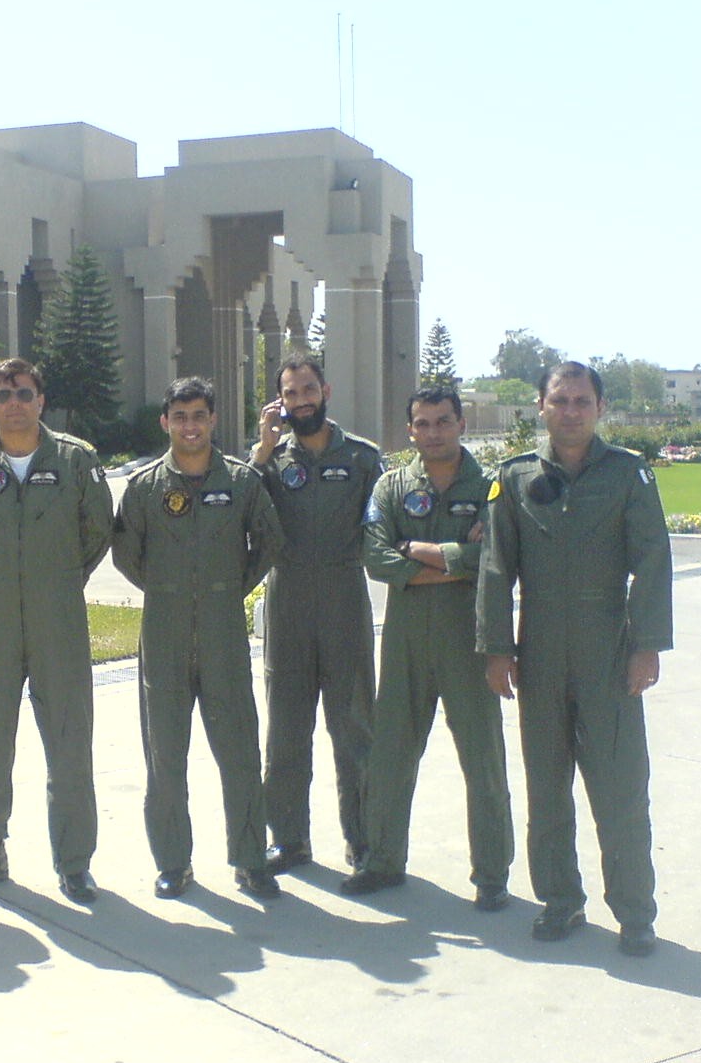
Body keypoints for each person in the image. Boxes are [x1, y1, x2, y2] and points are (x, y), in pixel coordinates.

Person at [477, 361, 673, 956]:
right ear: (540, 406)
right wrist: (496, 649)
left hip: (607, 651)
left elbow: (653, 561)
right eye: (559, 400)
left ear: (599, 408)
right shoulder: (512, 479)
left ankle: (635, 912)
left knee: (619, 785)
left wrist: (647, 646)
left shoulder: (627, 475)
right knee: (546, 784)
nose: (571, 410)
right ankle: (560, 900)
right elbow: (495, 567)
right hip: (538, 654)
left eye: (581, 400)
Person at [0, 357, 114, 904]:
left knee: (68, 741)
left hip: (58, 618)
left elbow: (97, 533)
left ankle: (74, 863)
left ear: (41, 401)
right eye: (3, 393)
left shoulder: (76, 460)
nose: (13, 401)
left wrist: (55, 580)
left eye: (24, 392)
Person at [112, 377, 283, 900]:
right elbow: (126, 554)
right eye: (180, 415)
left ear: (213, 420)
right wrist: (168, 591)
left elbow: (267, 542)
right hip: (162, 632)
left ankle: (250, 858)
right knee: (165, 755)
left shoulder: (242, 482)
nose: (190, 425)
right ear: (166, 422)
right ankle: (173, 862)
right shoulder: (144, 487)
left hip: (222, 629)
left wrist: (225, 589)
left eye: (200, 415)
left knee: (238, 750)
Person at [346, 387, 514, 909]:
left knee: (483, 760)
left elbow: (501, 556)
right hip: (405, 642)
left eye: (443, 421)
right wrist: (457, 563)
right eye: (423, 423)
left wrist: (422, 552)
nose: (434, 432)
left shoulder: (491, 488)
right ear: (410, 431)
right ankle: (382, 862)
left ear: (462, 424)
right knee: (391, 754)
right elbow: (376, 558)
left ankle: (491, 876)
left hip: (471, 640)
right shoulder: (391, 487)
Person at [251, 355, 383, 872]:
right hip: (288, 594)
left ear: (325, 390)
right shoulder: (270, 459)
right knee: (286, 725)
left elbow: (389, 514)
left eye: (308, 389)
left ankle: (365, 837)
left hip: (344, 592)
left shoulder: (362, 457)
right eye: (291, 393)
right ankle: (288, 838)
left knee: (354, 725)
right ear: (279, 402)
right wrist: (263, 449)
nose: (301, 399)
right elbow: (241, 503)